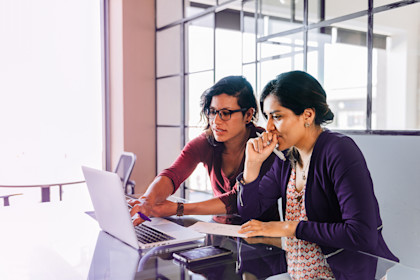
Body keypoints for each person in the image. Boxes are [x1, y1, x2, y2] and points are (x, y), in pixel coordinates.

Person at [237, 71, 398, 279]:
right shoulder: (287, 157)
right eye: (267, 117)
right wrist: (252, 165)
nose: (268, 127)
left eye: (277, 116)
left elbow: (361, 235)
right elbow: (249, 211)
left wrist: (289, 227)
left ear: (307, 115)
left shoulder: (339, 151)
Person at [130, 75, 279, 225]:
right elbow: (173, 174)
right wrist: (147, 200)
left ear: (248, 115)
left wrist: (179, 208)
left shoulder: (264, 145)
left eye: (226, 113)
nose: (216, 121)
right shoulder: (207, 141)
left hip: (260, 238)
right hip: (218, 230)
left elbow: (236, 200)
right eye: (213, 111)